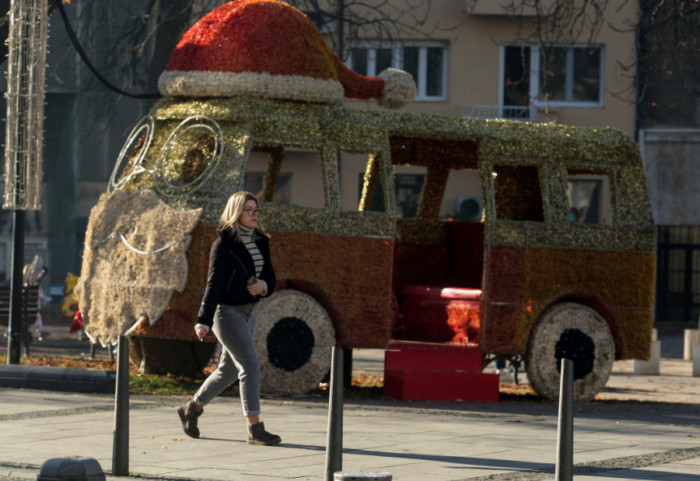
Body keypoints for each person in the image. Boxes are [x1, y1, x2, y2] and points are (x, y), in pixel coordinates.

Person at [177, 191, 281, 446]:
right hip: (227, 313)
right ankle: (255, 429)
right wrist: (203, 319)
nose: (255, 214)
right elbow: (214, 284)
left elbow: (270, 274)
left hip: (251, 310)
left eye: (256, 209)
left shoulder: (261, 240)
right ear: (236, 212)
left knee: (228, 370)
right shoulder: (223, 244)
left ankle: (192, 407)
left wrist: (264, 286)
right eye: (249, 210)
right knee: (250, 364)